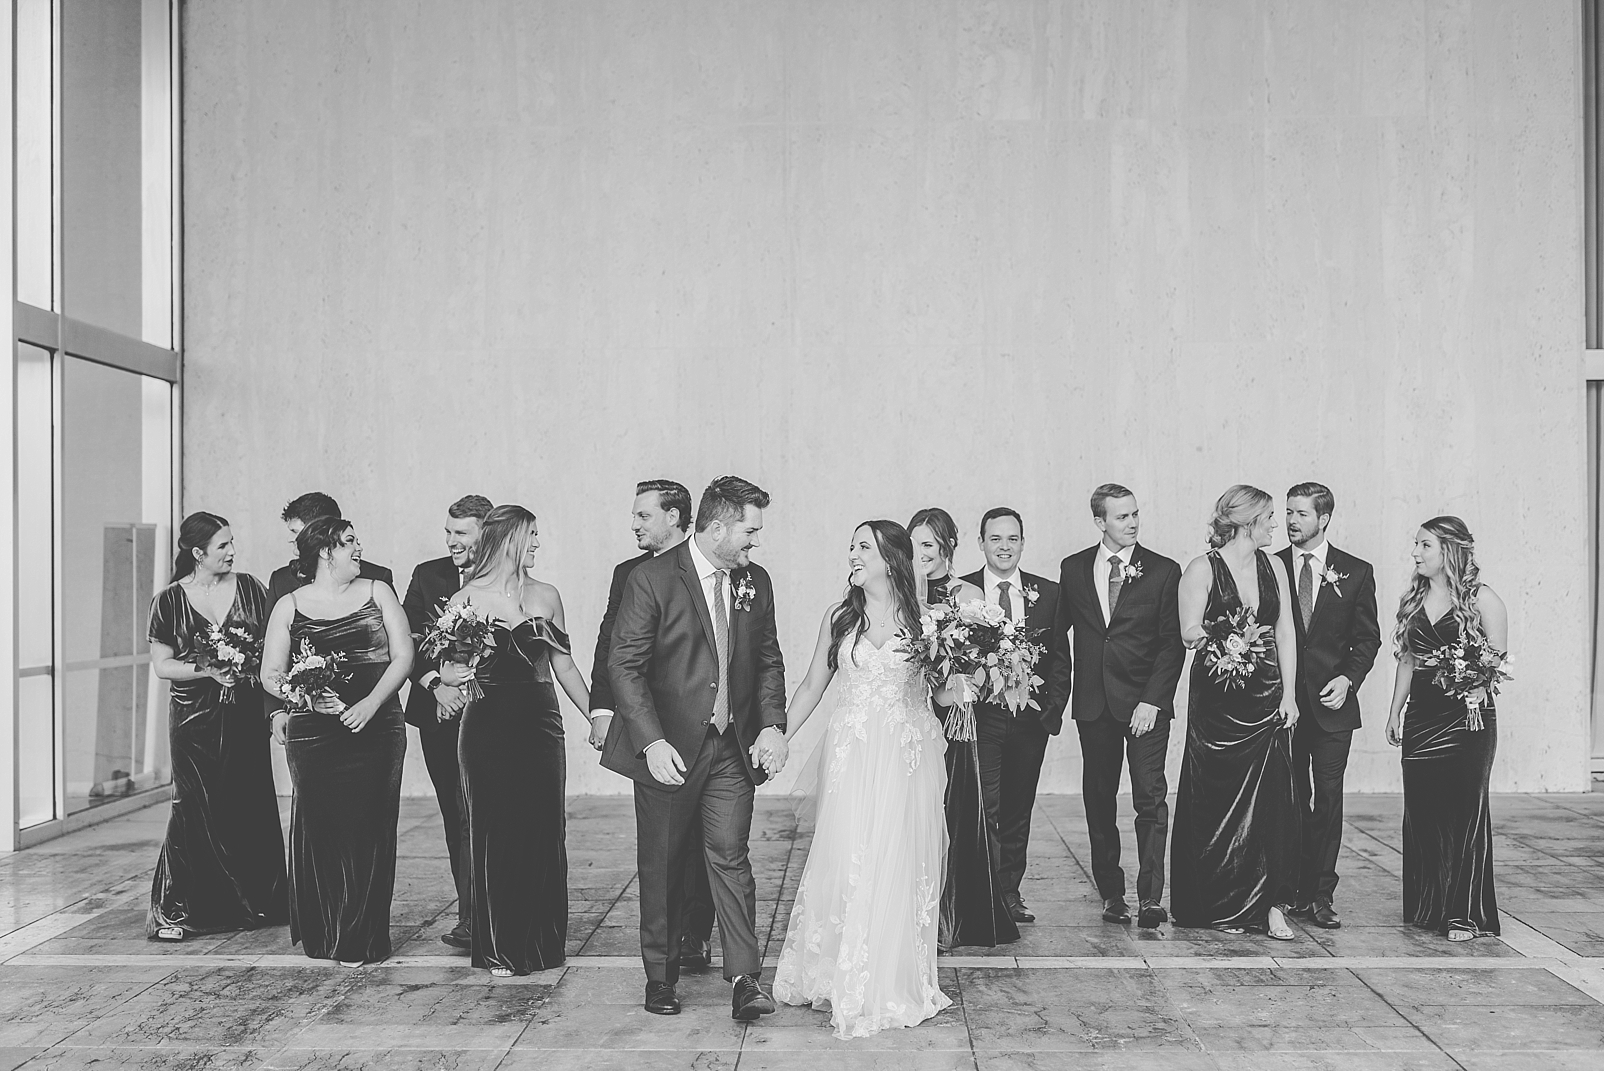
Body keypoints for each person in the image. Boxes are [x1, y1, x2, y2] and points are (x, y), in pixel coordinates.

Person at [600, 476, 787, 1020]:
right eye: (751, 531)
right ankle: (660, 978)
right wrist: (651, 741)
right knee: (662, 863)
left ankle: (745, 978)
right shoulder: (652, 578)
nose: (756, 541)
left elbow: (768, 658)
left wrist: (772, 726)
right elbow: (624, 666)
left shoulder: (756, 581)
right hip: (670, 748)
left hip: (731, 747)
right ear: (719, 528)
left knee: (730, 857)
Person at [772, 521, 953, 1039]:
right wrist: (779, 735)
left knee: (893, 857)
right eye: (850, 545)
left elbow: (943, 696)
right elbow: (812, 684)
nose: (852, 554)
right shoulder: (840, 617)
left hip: (903, 757)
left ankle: (885, 979)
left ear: (891, 559)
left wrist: (973, 674)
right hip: (851, 755)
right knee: (846, 855)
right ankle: (835, 971)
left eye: (863, 547)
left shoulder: (927, 620)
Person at [261, 517, 412, 965]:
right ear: (325, 553)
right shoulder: (289, 605)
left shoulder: (378, 592)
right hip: (314, 735)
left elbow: (404, 655)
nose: (358, 548)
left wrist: (371, 703)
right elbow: (270, 673)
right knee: (323, 829)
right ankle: (326, 930)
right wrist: (305, 696)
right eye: (349, 542)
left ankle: (361, 936)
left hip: (378, 728)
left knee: (370, 829)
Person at [448, 504, 589, 975]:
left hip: (540, 724)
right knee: (495, 832)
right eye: (532, 535)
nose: (537, 544)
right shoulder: (465, 599)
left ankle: (542, 943)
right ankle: (501, 945)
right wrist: (456, 671)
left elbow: (563, 664)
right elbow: (449, 668)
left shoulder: (547, 595)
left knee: (544, 829)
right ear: (510, 539)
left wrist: (597, 717)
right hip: (486, 727)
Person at [591, 480, 717, 968]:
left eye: (643, 515)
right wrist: (603, 712)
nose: (634, 524)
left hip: (706, 725)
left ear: (674, 517)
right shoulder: (629, 574)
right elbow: (611, 646)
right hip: (652, 729)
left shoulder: (714, 568)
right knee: (664, 841)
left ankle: (695, 932)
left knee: (707, 839)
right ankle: (668, 941)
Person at [1047, 484, 1185, 928]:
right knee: (1099, 800)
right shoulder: (1073, 568)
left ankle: (1151, 898)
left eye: (1135, 514)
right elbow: (1057, 637)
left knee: (1151, 799)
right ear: (1099, 521)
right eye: (1122, 516)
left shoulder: (1164, 571)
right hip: (1094, 705)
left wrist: (1153, 700)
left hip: (1146, 706)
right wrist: (1058, 695)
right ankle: (1111, 893)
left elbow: (1171, 644)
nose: (1132, 523)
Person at [146, 512, 288, 941]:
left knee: (248, 799)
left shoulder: (251, 588)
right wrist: (207, 669)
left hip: (244, 715)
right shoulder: (169, 600)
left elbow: (271, 647)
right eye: (222, 545)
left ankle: (257, 902)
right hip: (193, 720)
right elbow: (162, 665)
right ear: (197, 553)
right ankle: (177, 909)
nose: (231, 551)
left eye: (231, 543)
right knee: (192, 806)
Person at [1172, 485, 1301, 939]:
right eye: (1269, 517)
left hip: (1266, 699)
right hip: (1218, 705)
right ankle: (1223, 904)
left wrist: (1289, 694)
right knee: (1217, 802)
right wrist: (1224, 639)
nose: (1276, 525)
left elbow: (1285, 633)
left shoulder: (1275, 567)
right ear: (1248, 522)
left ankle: (1271, 904)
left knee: (1273, 804)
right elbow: (1188, 631)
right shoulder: (1201, 568)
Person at [1385, 516, 1507, 941]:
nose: (1415, 553)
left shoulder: (1483, 599)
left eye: (1425, 546)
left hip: (1468, 722)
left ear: (1449, 551)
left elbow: (1498, 660)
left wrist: (1477, 681)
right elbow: (1407, 659)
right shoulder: (1415, 598)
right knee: (1423, 813)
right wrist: (1395, 712)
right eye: (1416, 544)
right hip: (1422, 719)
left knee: (1465, 814)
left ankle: (1464, 915)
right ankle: (1432, 904)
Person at [910, 507, 1015, 949]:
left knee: (952, 812)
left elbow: (988, 655)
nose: (920, 553)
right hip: (910, 715)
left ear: (948, 547)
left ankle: (949, 915)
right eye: (913, 545)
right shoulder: (900, 593)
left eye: (929, 545)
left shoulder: (967, 594)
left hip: (953, 720)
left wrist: (962, 681)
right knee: (914, 814)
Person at [1278, 483, 1380, 929]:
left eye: (1301, 513)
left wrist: (1348, 679)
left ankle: (1320, 894)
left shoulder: (1355, 571)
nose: (1291, 521)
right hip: (1283, 709)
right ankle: (1291, 889)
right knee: (1291, 800)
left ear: (1324, 518)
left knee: (1328, 799)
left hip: (1332, 708)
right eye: (1288, 512)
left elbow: (1368, 638)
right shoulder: (1271, 566)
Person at [959, 508, 1064, 926]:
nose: (1005, 547)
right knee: (985, 806)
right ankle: (982, 891)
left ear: (1023, 542)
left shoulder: (1049, 593)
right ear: (981, 543)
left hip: (1029, 721)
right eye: (996, 538)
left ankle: (1009, 893)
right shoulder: (962, 591)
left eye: (1012, 538)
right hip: (982, 717)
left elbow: (1060, 659)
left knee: (1019, 810)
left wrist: (1050, 713)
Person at [401, 493, 494, 950]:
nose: (451, 541)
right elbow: (405, 638)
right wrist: (438, 684)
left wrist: (468, 688)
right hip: (438, 715)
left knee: (491, 814)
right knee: (456, 814)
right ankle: (470, 916)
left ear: (486, 533)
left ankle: (496, 910)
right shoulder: (427, 575)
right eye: (447, 532)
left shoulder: (507, 577)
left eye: (461, 533)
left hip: (494, 716)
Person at [265, 492, 394, 724]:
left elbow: (401, 652)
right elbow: (272, 662)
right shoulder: (281, 583)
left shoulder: (377, 581)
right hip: (306, 718)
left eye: (296, 533)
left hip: (376, 716)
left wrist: (373, 701)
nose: (292, 543)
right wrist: (279, 710)